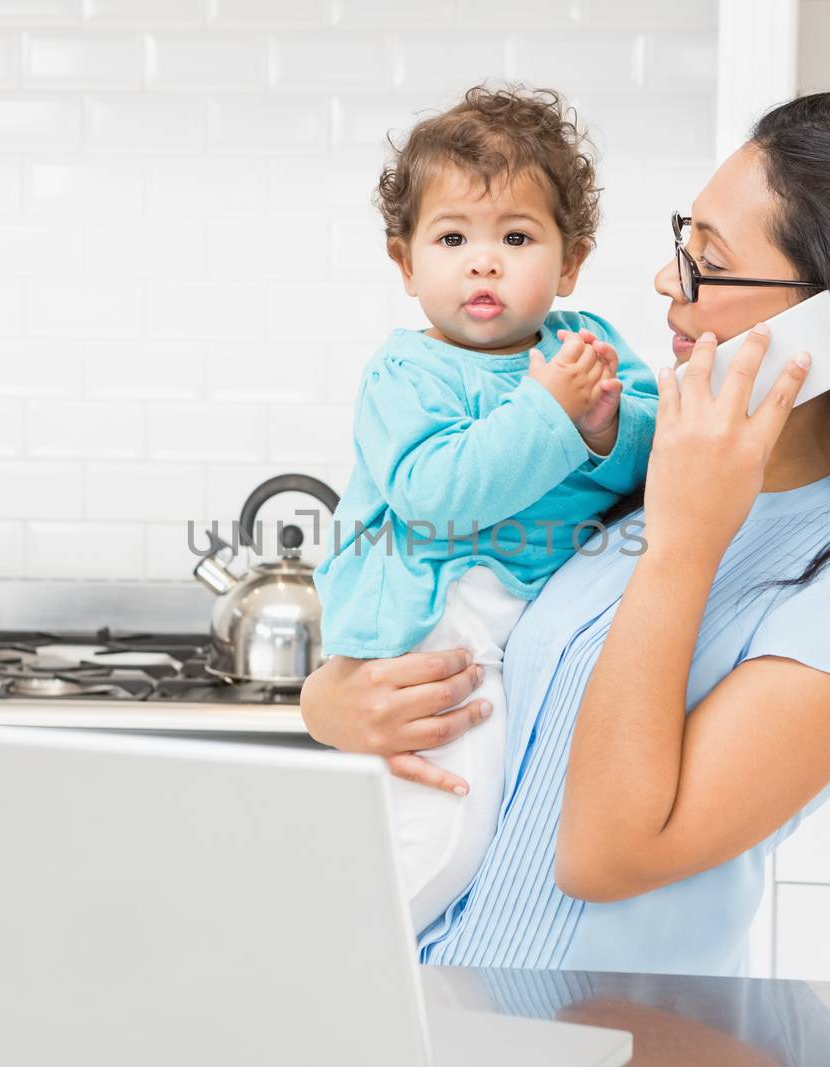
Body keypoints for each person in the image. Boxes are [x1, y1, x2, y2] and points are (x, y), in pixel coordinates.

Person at [302, 90, 830, 975]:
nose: (668, 282)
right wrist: (337, 704)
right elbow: (456, 598)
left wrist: (684, 544)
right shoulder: (633, 450)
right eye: (681, 243)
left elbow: (608, 855)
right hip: (439, 1007)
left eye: (707, 261)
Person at [312, 86, 659, 931]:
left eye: (516, 237)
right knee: (446, 825)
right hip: (436, 616)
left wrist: (611, 423)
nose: (484, 261)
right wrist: (548, 415)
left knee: (485, 816)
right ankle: (369, 959)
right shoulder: (407, 376)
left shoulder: (586, 350)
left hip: (514, 609)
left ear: (570, 262)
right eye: (453, 238)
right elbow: (434, 498)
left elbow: (657, 461)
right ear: (406, 264)